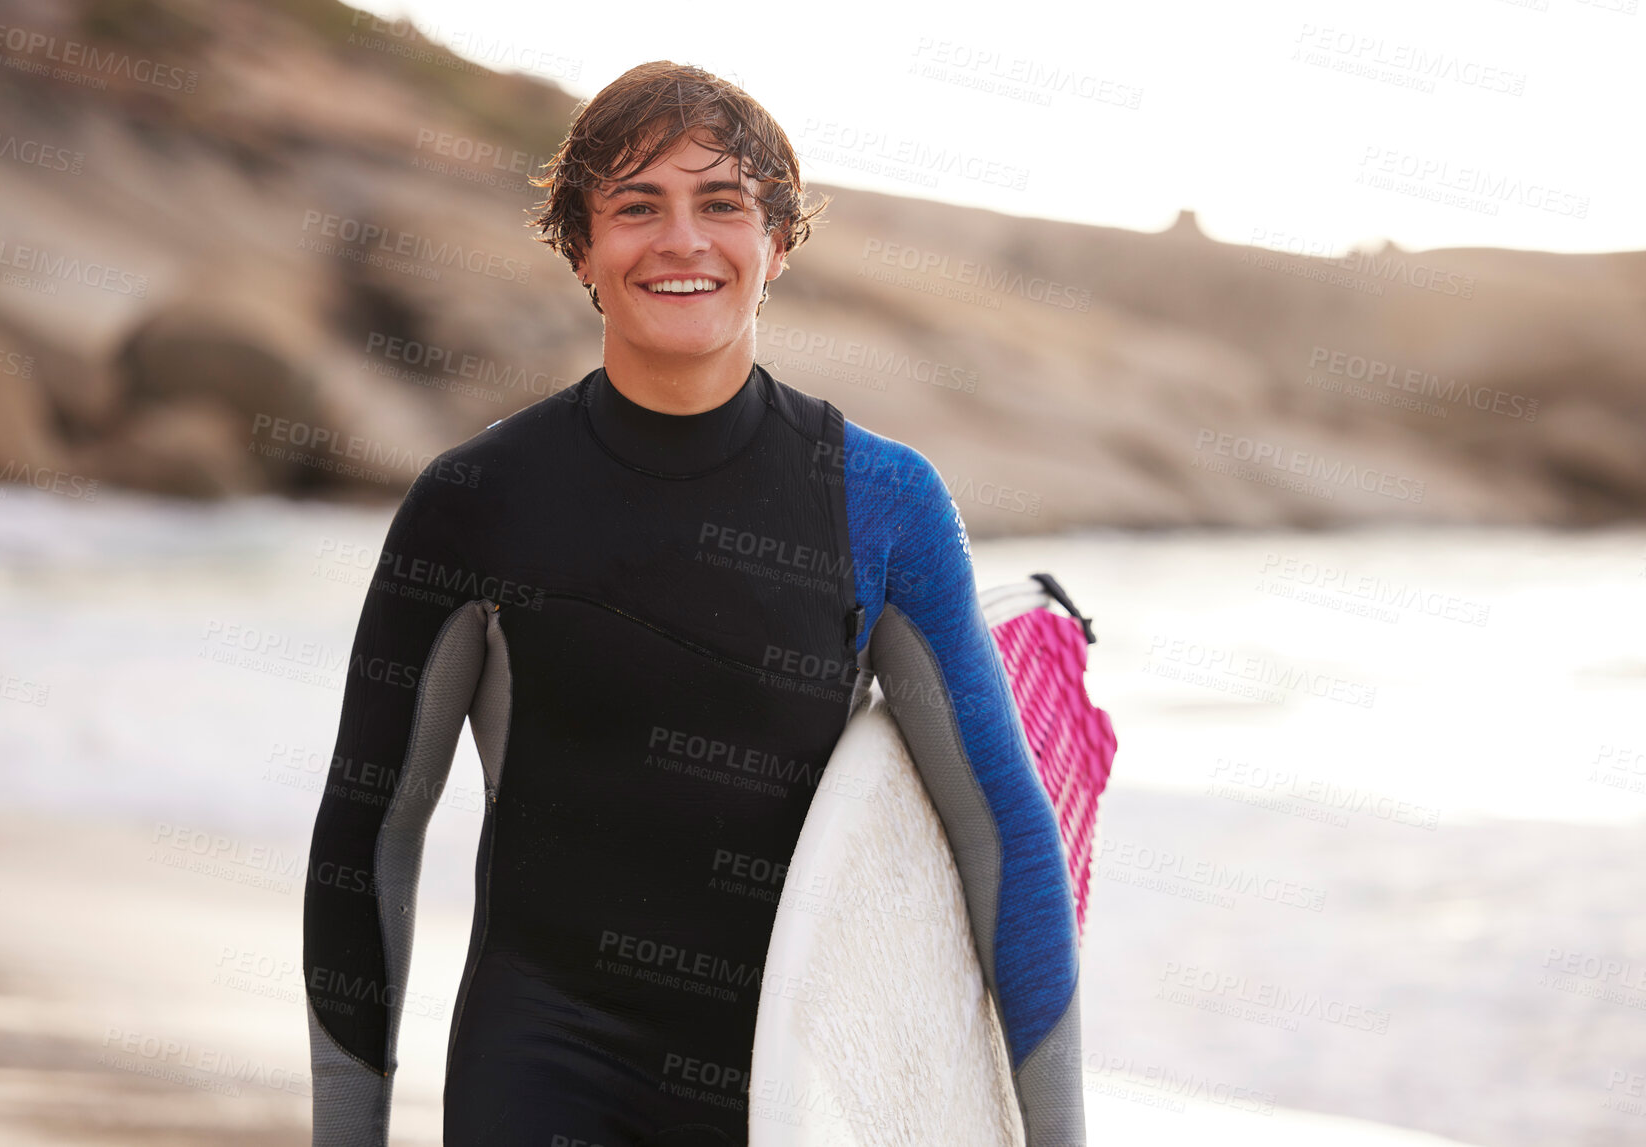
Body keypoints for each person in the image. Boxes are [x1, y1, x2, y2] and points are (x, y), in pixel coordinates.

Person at [301, 60, 1083, 1147]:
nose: (681, 242)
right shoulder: (475, 502)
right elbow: (370, 832)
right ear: (581, 245)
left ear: (776, 245)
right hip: (540, 1069)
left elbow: (1001, 838)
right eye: (635, 206)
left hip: (789, 1090)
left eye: (722, 204)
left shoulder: (880, 502)